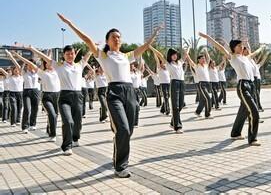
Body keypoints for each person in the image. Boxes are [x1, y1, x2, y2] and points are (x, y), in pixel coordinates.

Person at [57, 12, 160, 177]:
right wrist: (69, 23)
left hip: (130, 92)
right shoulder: (103, 55)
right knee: (123, 129)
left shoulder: (126, 56)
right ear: (107, 41)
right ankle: (120, 167)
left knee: (128, 131)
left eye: (119, 37)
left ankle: (117, 148)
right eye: (113, 37)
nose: (117, 39)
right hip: (114, 93)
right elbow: (87, 40)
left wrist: (152, 36)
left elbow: (143, 47)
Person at [199, 32, 261, 146]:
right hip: (243, 87)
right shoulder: (232, 57)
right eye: (239, 46)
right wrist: (208, 38)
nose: (241, 47)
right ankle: (252, 139)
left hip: (251, 85)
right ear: (233, 48)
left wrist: (261, 48)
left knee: (243, 112)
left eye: (242, 45)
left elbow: (254, 53)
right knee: (254, 111)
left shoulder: (246, 58)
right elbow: (220, 47)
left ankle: (235, 133)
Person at [12, 50, 60, 142]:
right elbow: (37, 63)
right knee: (27, 108)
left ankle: (35, 125)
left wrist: (48, 55)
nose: (30, 67)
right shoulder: (28, 73)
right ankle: (25, 126)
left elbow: (48, 62)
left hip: (39, 92)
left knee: (40, 110)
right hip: (28, 92)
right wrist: (16, 56)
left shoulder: (55, 71)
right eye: (29, 65)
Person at [149, 45, 187, 134]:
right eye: (172, 54)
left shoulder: (180, 62)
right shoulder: (168, 64)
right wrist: (151, 47)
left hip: (182, 83)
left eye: (176, 54)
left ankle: (172, 122)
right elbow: (159, 55)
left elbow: (185, 55)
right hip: (174, 83)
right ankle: (177, 126)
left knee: (181, 105)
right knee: (175, 106)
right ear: (170, 56)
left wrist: (187, 49)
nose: (175, 56)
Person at [184, 49, 212, 119]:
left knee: (203, 100)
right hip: (201, 84)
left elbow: (208, 59)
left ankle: (197, 112)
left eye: (204, 58)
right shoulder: (196, 66)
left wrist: (206, 52)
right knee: (208, 98)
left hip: (207, 84)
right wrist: (186, 52)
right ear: (198, 60)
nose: (204, 59)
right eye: (202, 58)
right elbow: (190, 60)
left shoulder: (205, 65)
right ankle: (207, 114)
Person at [4, 50, 24, 129]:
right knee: (14, 107)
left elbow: (20, 67)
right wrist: (9, 55)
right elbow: (3, 70)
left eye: (17, 70)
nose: (16, 71)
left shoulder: (22, 76)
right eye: (15, 70)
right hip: (12, 94)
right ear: (13, 70)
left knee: (19, 107)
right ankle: (13, 122)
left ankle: (18, 120)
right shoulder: (9, 76)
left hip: (20, 93)